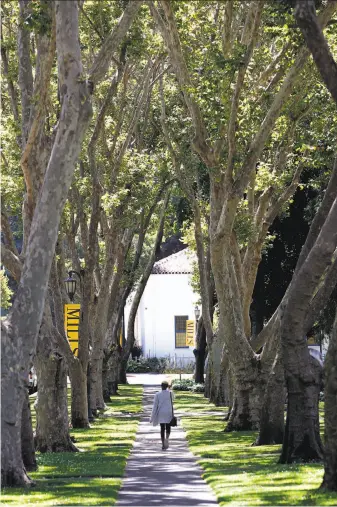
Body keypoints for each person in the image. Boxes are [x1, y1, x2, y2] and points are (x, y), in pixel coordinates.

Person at [150, 381, 174, 450]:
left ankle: (163, 443)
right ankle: (167, 439)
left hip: (161, 413)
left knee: (162, 428)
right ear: (167, 386)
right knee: (168, 427)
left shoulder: (157, 394)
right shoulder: (170, 393)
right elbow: (174, 398)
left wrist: (152, 417)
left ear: (161, 386)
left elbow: (155, 406)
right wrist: (170, 389)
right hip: (168, 412)